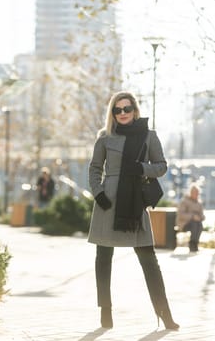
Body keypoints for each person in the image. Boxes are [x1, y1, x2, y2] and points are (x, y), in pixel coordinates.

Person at [88, 91, 179, 330]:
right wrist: (99, 194)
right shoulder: (104, 138)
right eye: (117, 110)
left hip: (134, 204)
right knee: (103, 259)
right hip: (108, 203)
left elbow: (161, 167)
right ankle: (105, 311)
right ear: (113, 113)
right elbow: (95, 168)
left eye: (126, 109)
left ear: (135, 110)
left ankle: (164, 313)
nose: (122, 113)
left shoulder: (149, 137)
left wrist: (140, 168)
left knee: (149, 261)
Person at [175, 183, 205, 252]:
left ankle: (195, 244)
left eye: (197, 193)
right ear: (190, 192)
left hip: (196, 223)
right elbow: (180, 214)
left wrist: (200, 217)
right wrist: (192, 216)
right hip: (183, 223)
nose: (196, 194)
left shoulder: (199, 203)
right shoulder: (184, 201)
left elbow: (202, 215)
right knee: (194, 224)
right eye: (194, 192)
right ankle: (192, 245)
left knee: (200, 225)